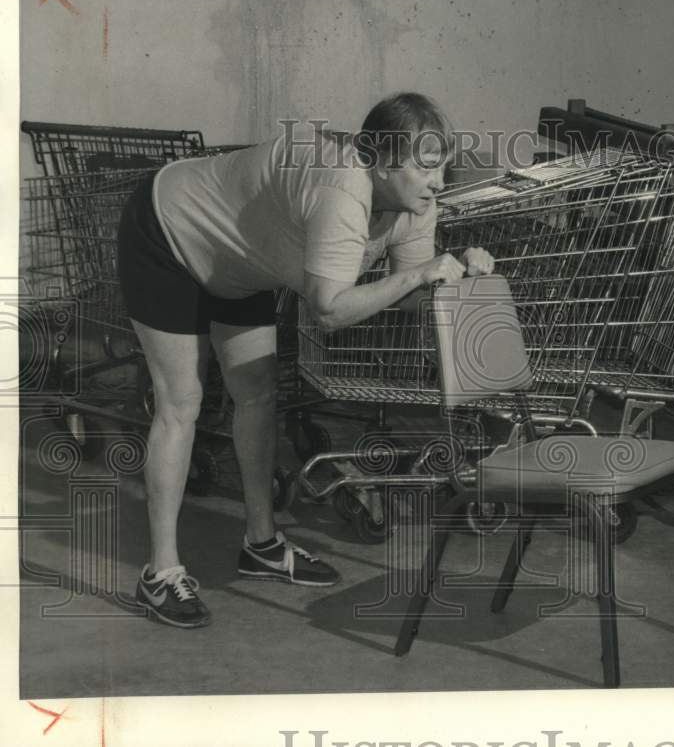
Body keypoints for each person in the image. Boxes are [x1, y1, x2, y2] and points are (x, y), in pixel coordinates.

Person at [117, 92, 494, 628]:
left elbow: (408, 295)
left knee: (259, 393)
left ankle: (262, 545)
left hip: (239, 260)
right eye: (427, 169)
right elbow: (330, 311)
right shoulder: (341, 188)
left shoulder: (417, 204)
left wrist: (456, 269)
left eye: (442, 169)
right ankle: (160, 573)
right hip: (170, 233)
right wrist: (417, 274)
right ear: (383, 162)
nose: (439, 183)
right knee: (182, 404)